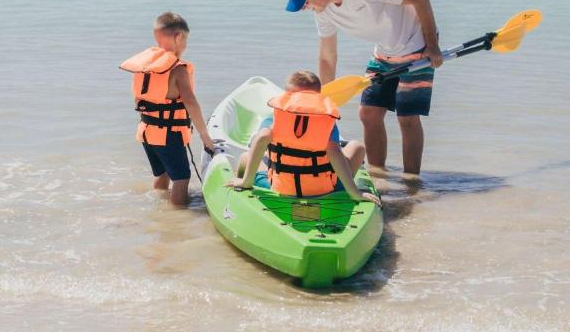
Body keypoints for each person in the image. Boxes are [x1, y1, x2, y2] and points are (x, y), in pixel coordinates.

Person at [285, 0, 443, 176]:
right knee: (368, 113)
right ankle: (379, 176)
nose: (305, 8)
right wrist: (327, 99)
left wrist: (432, 45)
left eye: (304, 3)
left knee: (407, 118)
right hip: (384, 51)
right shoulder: (324, 12)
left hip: (417, 45)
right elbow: (327, 57)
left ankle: (411, 182)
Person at [228, 70, 380, 206]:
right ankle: (346, 189)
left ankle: (243, 181)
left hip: (281, 188)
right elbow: (334, 152)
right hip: (324, 189)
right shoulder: (327, 122)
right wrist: (354, 192)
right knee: (357, 147)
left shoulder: (275, 121)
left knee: (245, 157)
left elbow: (262, 138)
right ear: (318, 95)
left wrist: (248, 180)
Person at [120, 12, 215, 206]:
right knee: (181, 178)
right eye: (185, 40)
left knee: (162, 174)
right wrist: (205, 136)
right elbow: (190, 101)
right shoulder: (177, 69)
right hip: (168, 134)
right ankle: (177, 220)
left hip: (147, 132)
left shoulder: (146, 65)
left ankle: (160, 211)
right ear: (179, 37)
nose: (185, 45)